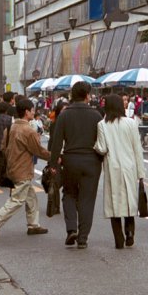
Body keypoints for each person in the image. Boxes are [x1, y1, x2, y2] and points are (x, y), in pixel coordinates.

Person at [0, 99, 51, 238]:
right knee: (17, 200)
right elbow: (38, 151)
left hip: (12, 168)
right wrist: (55, 157)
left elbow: (3, 147)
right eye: (32, 110)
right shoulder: (28, 130)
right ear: (27, 112)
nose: (34, 112)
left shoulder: (10, 128)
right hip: (23, 170)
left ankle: (33, 225)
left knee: (31, 197)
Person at [49, 81, 103, 249]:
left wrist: (53, 164)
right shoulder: (96, 115)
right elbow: (102, 141)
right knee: (87, 199)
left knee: (69, 194)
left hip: (70, 159)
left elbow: (56, 142)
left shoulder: (65, 115)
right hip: (91, 160)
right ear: (87, 95)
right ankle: (83, 238)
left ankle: (71, 228)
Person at [94, 94, 146, 249]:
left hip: (112, 166)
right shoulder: (131, 123)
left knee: (114, 203)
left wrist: (94, 146)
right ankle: (130, 232)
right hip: (129, 166)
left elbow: (102, 148)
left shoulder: (102, 124)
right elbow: (138, 149)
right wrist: (141, 173)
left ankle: (119, 239)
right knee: (129, 200)